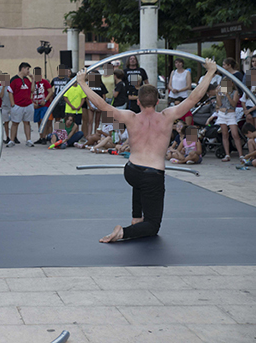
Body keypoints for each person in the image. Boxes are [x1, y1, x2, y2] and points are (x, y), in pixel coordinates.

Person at [75, 57, 218, 243]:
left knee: (140, 182)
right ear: (158, 101)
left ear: (139, 102)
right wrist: (210, 72)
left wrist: (82, 83)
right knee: (152, 226)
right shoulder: (168, 116)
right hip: (152, 174)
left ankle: (136, 217)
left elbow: (102, 106)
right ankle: (123, 232)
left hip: (132, 171)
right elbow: (194, 97)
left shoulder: (130, 117)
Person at [215, 77, 244, 162]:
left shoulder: (235, 92)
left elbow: (234, 104)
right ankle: (227, 154)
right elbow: (219, 104)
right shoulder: (221, 92)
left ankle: (241, 155)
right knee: (225, 134)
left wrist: (227, 94)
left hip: (231, 114)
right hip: (222, 113)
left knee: (235, 134)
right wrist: (217, 94)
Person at [8, 62, 35, 147]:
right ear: (22, 69)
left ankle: (29, 140)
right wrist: (13, 104)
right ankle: (12, 140)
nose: (28, 71)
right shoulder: (14, 79)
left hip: (28, 104)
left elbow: (32, 90)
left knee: (27, 122)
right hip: (17, 105)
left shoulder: (27, 80)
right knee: (15, 123)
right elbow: (10, 92)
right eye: (27, 69)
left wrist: (33, 79)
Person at [32, 67, 52, 144]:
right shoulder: (33, 83)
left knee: (43, 120)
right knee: (38, 122)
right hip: (36, 105)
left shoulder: (44, 82)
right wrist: (33, 103)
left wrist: (45, 100)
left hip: (44, 104)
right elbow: (30, 93)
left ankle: (44, 136)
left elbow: (50, 92)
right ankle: (41, 137)